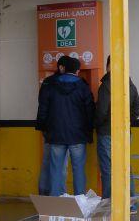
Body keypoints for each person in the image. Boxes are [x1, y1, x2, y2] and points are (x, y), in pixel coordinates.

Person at [36, 56, 95, 196]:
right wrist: (90, 130)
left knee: (56, 169)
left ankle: (56, 201)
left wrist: (43, 128)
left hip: (56, 135)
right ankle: (80, 200)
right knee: (78, 169)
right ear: (78, 71)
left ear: (62, 68)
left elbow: (43, 108)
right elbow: (90, 110)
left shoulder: (50, 85)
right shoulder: (82, 86)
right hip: (78, 136)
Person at [94, 56, 139, 209]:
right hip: (125, 133)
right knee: (125, 168)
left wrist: (97, 125)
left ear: (108, 66)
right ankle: (130, 206)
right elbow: (135, 112)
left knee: (108, 169)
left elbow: (101, 111)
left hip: (107, 133)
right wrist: (125, 124)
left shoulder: (106, 86)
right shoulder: (130, 85)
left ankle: (109, 205)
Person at [35, 56, 71, 194]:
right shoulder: (64, 84)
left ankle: (43, 193)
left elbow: (42, 106)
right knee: (61, 165)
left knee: (46, 162)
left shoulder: (47, 82)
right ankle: (59, 194)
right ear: (61, 67)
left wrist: (42, 126)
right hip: (62, 130)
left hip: (48, 129)